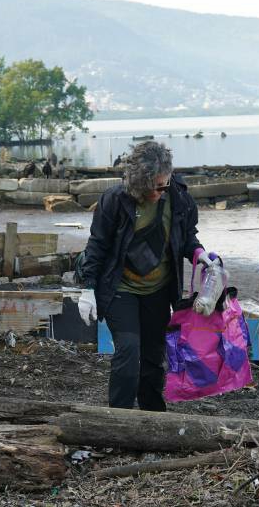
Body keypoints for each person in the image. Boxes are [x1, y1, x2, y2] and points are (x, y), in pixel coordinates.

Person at [77, 141, 218, 411]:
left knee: (154, 356)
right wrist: (87, 288)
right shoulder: (115, 200)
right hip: (121, 287)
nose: (159, 192)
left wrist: (199, 254)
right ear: (138, 183)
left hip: (159, 288)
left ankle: (152, 415)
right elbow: (97, 245)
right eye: (153, 187)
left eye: (164, 185)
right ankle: (119, 417)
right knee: (128, 350)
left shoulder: (178, 198)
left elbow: (187, 236)